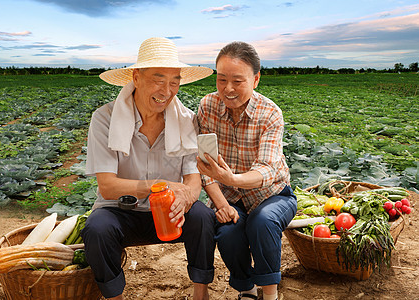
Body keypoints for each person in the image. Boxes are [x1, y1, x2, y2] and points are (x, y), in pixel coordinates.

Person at [81, 37, 216, 300]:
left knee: (202, 217)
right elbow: (107, 187)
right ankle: (114, 297)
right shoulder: (104, 119)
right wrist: (159, 186)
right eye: (158, 79)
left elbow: (193, 179)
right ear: (136, 77)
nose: (167, 90)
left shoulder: (187, 120)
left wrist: (185, 198)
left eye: (174, 81)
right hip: (121, 212)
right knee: (96, 229)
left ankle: (201, 293)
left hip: (169, 212)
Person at [196, 41, 297, 300]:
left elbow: (267, 170)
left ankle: (271, 295)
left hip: (274, 195)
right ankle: (247, 290)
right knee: (228, 231)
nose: (228, 89)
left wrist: (233, 178)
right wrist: (221, 203)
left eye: (237, 81)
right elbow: (205, 167)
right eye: (221, 80)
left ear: (256, 79)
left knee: (262, 222)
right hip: (229, 196)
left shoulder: (270, 113)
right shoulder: (207, 107)